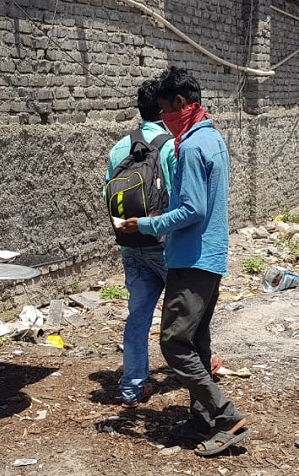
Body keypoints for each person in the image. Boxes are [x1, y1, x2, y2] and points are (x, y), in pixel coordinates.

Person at [120, 66, 248, 456]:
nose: (163, 118)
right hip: (208, 257)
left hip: (191, 258)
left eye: (165, 109)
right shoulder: (211, 138)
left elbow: (191, 209)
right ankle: (203, 418)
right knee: (197, 340)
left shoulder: (191, 146)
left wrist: (144, 224)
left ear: (180, 102)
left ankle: (225, 416)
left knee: (174, 342)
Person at [104, 80, 176, 407]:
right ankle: (196, 379)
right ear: (165, 107)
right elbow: (178, 198)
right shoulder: (173, 145)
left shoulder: (119, 147)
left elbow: (108, 195)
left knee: (138, 316)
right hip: (166, 244)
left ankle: (131, 387)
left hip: (130, 244)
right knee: (186, 315)